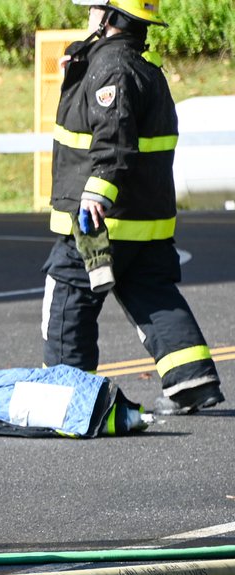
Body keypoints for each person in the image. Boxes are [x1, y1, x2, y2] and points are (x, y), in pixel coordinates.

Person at [42, 0, 223, 415]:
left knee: (69, 293)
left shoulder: (113, 69)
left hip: (99, 220)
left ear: (111, 18)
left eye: (93, 9)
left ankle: (70, 395)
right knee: (153, 295)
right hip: (146, 220)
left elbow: (114, 138)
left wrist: (97, 194)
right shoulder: (137, 66)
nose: (87, 16)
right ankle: (191, 381)